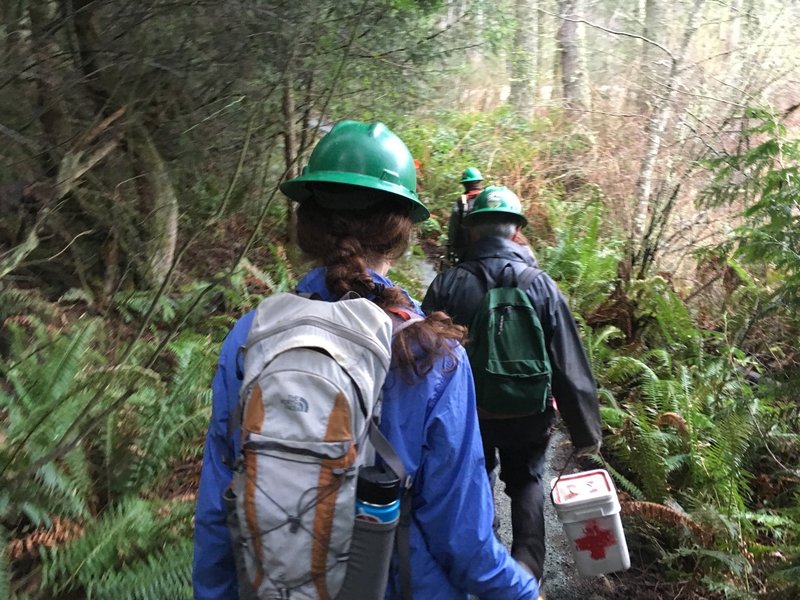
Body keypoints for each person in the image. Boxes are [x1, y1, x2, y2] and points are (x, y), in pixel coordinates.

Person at [193, 122, 541, 600]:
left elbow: (218, 505)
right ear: (402, 231)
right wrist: (520, 591)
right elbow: (462, 538)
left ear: (307, 227)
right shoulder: (432, 355)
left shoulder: (249, 338)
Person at [422, 185, 602, 584]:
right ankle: (527, 573)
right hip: (530, 414)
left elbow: (424, 359)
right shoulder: (542, 285)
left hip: (471, 414)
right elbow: (568, 362)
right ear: (516, 231)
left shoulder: (448, 284)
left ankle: (485, 562)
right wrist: (587, 432)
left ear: (472, 231)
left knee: (476, 477)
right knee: (526, 480)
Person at [444, 167, 484, 269]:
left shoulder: (461, 203)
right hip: (488, 251)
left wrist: (450, 248)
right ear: (480, 182)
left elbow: (453, 230)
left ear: (465, 184)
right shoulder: (488, 200)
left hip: (465, 252)